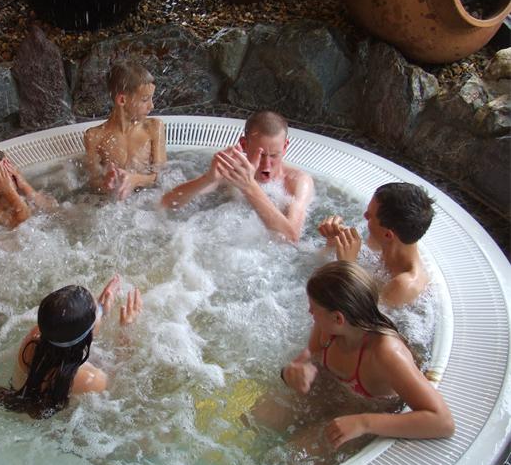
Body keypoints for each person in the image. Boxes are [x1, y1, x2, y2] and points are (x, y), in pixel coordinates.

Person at [280, 261, 454, 449]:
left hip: (363, 411)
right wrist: (295, 370)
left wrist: (364, 423)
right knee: (259, 419)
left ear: (338, 318)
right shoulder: (328, 329)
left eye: (313, 307)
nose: (309, 312)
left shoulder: (387, 353)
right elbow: (311, 354)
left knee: (294, 453)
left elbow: (443, 422)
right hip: (331, 393)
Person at [0, 276, 142, 418]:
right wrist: (126, 331)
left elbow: (69, 334)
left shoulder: (33, 338)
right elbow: (119, 378)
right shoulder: (90, 380)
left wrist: (99, 311)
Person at [161, 110, 313, 242]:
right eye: (260, 155)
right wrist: (208, 178)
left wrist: (249, 187)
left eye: (274, 155)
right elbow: (167, 203)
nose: (266, 165)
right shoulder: (233, 170)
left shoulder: (297, 181)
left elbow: (291, 237)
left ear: (285, 147)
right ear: (244, 145)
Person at [318, 182, 435, 307]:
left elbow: (359, 314)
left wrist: (348, 266)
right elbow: (316, 268)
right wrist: (332, 242)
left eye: (370, 216)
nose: (364, 216)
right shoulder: (384, 246)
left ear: (388, 235)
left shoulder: (404, 285)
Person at [84, 60, 166, 200]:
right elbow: (93, 182)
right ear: (122, 100)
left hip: (149, 197)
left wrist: (135, 180)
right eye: (145, 99)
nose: (151, 106)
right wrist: (106, 184)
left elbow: (162, 175)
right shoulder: (94, 136)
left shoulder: (153, 127)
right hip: (115, 204)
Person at [0, 145, 56, 229]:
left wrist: (25, 185)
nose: (9, 176)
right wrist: (10, 192)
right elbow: (25, 225)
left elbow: (51, 209)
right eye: (0, 174)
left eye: (8, 167)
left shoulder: (21, 191)